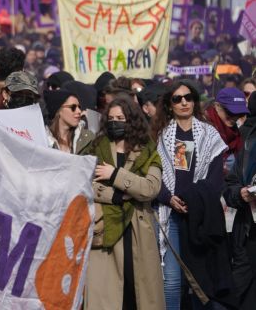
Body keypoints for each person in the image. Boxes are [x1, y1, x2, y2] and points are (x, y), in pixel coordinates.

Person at [153, 80, 230, 310]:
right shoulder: (160, 135)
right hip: (171, 215)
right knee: (172, 281)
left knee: (201, 280)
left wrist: (192, 200)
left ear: (195, 101)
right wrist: (169, 198)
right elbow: (153, 174)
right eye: (177, 99)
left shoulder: (209, 133)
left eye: (188, 97)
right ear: (170, 104)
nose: (184, 102)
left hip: (201, 216)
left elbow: (216, 179)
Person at [85, 94, 164, 310]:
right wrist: (117, 196)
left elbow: (150, 189)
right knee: (108, 296)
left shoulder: (147, 150)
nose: (114, 122)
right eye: (110, 118)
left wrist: (114, 175)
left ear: (131, 120)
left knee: (137, 294)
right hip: (106, 232)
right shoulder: (97, 147)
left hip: (138, 231)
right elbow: (85, 185)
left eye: (120, 118)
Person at [222, 92, 256, 308]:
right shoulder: (247, 141)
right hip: (248, 232)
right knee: (239, 293)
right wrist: (241, 194)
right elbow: (230, 185)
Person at [44, 89, 94, 154]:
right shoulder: (43, 140)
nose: (79, 111)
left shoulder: (88, 137)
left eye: (79, 107)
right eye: (73, 107)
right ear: (59, 111)